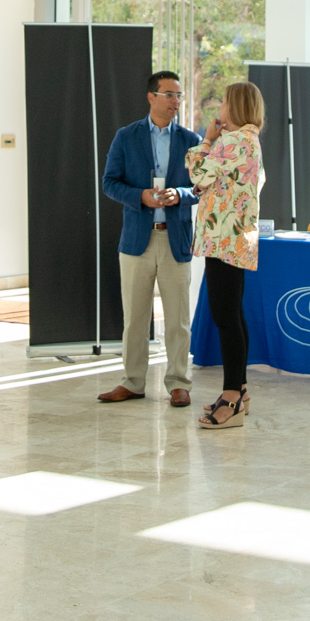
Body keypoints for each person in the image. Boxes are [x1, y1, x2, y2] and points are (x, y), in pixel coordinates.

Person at [97, 70, 201, 407]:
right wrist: (140, 196)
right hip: (137, 240)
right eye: (170, 94)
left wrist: (180, 194)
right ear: (151, 97)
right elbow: (109, 183)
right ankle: (133, 381)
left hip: (175, 239)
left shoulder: (191, 141)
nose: (176, 101)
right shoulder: (126, 137)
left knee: (178, 318)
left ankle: (178, 382)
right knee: (135, 318)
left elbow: (201, 187)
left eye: (179, 95)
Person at [187, 80, 264, 431]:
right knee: (233, 312)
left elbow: (198, 173)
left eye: (222, 104)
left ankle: (231, 397)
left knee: (224, 316)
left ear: (233, 108)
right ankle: (241, 389)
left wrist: (206, 139)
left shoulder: (232, 141)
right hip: (236, 237)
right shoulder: (249, 140)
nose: (218, 110)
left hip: (224, 238)